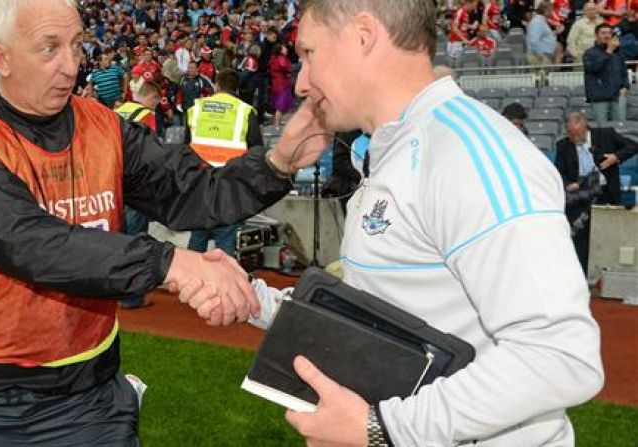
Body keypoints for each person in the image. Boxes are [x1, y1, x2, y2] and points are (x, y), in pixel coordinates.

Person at [0, 0, 328, 445]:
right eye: (49, 49)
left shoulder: (105, 126)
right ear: (1, 59)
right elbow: (27, 243)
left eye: (77, 45)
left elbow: (194, 193)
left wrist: (276, 163)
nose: (70, 66)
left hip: (90, 394)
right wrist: (170, 263)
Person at [180, 1, 604, 445]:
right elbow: (380, 313)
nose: (302, 83)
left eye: (309, 54)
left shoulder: (467, 156)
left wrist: (381, 429)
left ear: (363, 36)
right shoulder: (390, 150)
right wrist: (252, 298)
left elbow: (560, 355)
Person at [185, 69, 263, 258]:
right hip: (230, 181)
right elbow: (257, 150)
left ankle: (191, 278)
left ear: (216, 86)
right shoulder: (245, 111)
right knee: (226, 237)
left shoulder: (196, 108)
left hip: (200, 180)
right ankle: (224, 283)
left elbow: (185, 147)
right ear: (236, 89)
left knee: (198, 233)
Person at [555, 112, 637, 274]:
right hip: (578, 196)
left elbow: (634, 146)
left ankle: (605, 274)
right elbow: (559, 172)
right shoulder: (563, 145)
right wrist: (567, 184)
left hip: (605, 193)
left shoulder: (606, 134)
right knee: (579, 239)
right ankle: (580, 275)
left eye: (578, 134)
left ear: (585, 126)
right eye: (571, 134)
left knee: (607, 237)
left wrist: (616, 157)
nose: (574, 137)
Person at [114, 73, 162, 309]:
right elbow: (151, 152)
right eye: (156, 101)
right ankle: (131, 297)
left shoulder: (117, 111)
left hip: (113, 180)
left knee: (118, 238)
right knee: (136, 239)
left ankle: (116, 290)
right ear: (151, 98)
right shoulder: (147, 116)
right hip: (135, 183)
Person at [584, 23, 629, 124]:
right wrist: (609, 51)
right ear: (596, 35)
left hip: (617, 96)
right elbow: (593, 68)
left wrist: (625, 86)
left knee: (619, 128)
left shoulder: (618, 53)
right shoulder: (590, 53)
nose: (607, 35)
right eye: (603, 33)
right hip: (599, 97)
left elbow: (623, 72)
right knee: (602, 130)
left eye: (609, 33)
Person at [527, 2, 562, 66]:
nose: (552, 12)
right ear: (546, 11)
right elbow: (534, 41)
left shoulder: (541, 21)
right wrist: (541, 55)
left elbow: (544, 36)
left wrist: (556, 32)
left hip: (545, 56)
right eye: (551, 10)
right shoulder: (537, 22)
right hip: (539, 58)